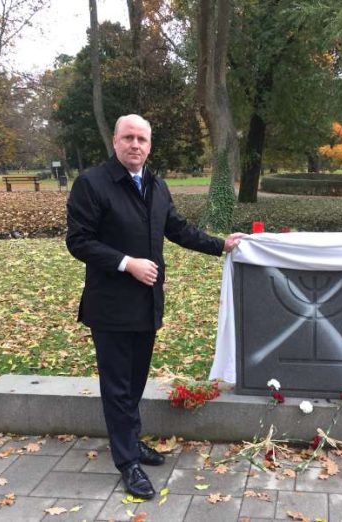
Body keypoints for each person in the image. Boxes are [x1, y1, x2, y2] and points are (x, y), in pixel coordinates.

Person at [66, 114, 244, 499]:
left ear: (149, 145)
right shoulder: (92, 184)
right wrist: (126, 263)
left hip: (146, 305)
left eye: (142, 139)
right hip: (110, 306)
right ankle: (126, 461)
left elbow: (178, 229)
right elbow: (78, 241)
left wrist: (221, 245)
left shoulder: (156, 185)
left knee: (134, 382)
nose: (135, 144)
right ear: (115, 141)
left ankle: (129, 441)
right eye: (128, 137)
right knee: (117, 387)